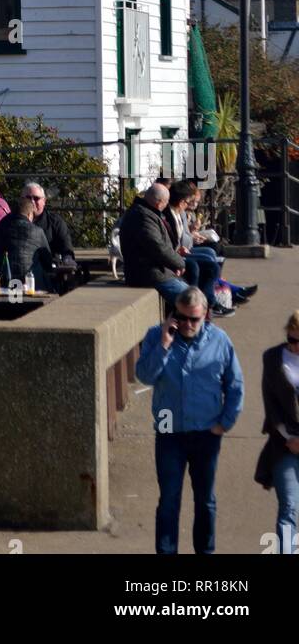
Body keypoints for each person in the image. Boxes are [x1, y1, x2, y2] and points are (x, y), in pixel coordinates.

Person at [136, 286, 244, 555]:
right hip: (168, 430)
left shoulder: (220, 341)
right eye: (181, 317)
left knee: (205, 500)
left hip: (206, 432)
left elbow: (235, 385)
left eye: (193, 319)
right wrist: (164, 344)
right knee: (169, 500)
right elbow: (145, 377)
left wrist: (224, 423)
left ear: (205, 315)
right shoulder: (155, 336)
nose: (186, 324)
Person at [254, 310, 299, 553]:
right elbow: (271, 406)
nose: (295, 347)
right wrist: (289, 437)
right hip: (284, 445)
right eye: (292, 340)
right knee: (289, 506)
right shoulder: (272, 359)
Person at [164, 181, 232, 317]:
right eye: (188, 201)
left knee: (212, 262)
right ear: (182, 201)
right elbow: (178, 241)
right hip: (175, 255)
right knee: (199, 264)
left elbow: (182, 238)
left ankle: (208, 303)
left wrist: (190, 236)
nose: (189, 205)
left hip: (180, 251)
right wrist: (185, 243)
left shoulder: (179, 213)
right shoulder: (169, 215)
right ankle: (197, 304)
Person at [118, 182, 188, 305]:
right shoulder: (143, 216)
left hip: (157, 271)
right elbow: (157, 247)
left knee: (193, 292)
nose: (166, 205)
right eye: (166, 202)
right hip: (148, 274)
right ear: (159, 202)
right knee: (191, 301)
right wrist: (179, 263)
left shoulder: (145, 212)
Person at [0, 197, 54, 290]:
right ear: (29, 214)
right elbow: (47, 261)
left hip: (3, 283)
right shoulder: (37, 231)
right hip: (31, 284)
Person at [21, 182, 75, 261]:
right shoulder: (10, 221)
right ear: (22, 200)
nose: (32, 202)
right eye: (28, 198)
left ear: (44, 201)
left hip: (48, 269)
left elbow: (66, 249)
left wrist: (67, 261)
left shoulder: (56, 222)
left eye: (36, 198)